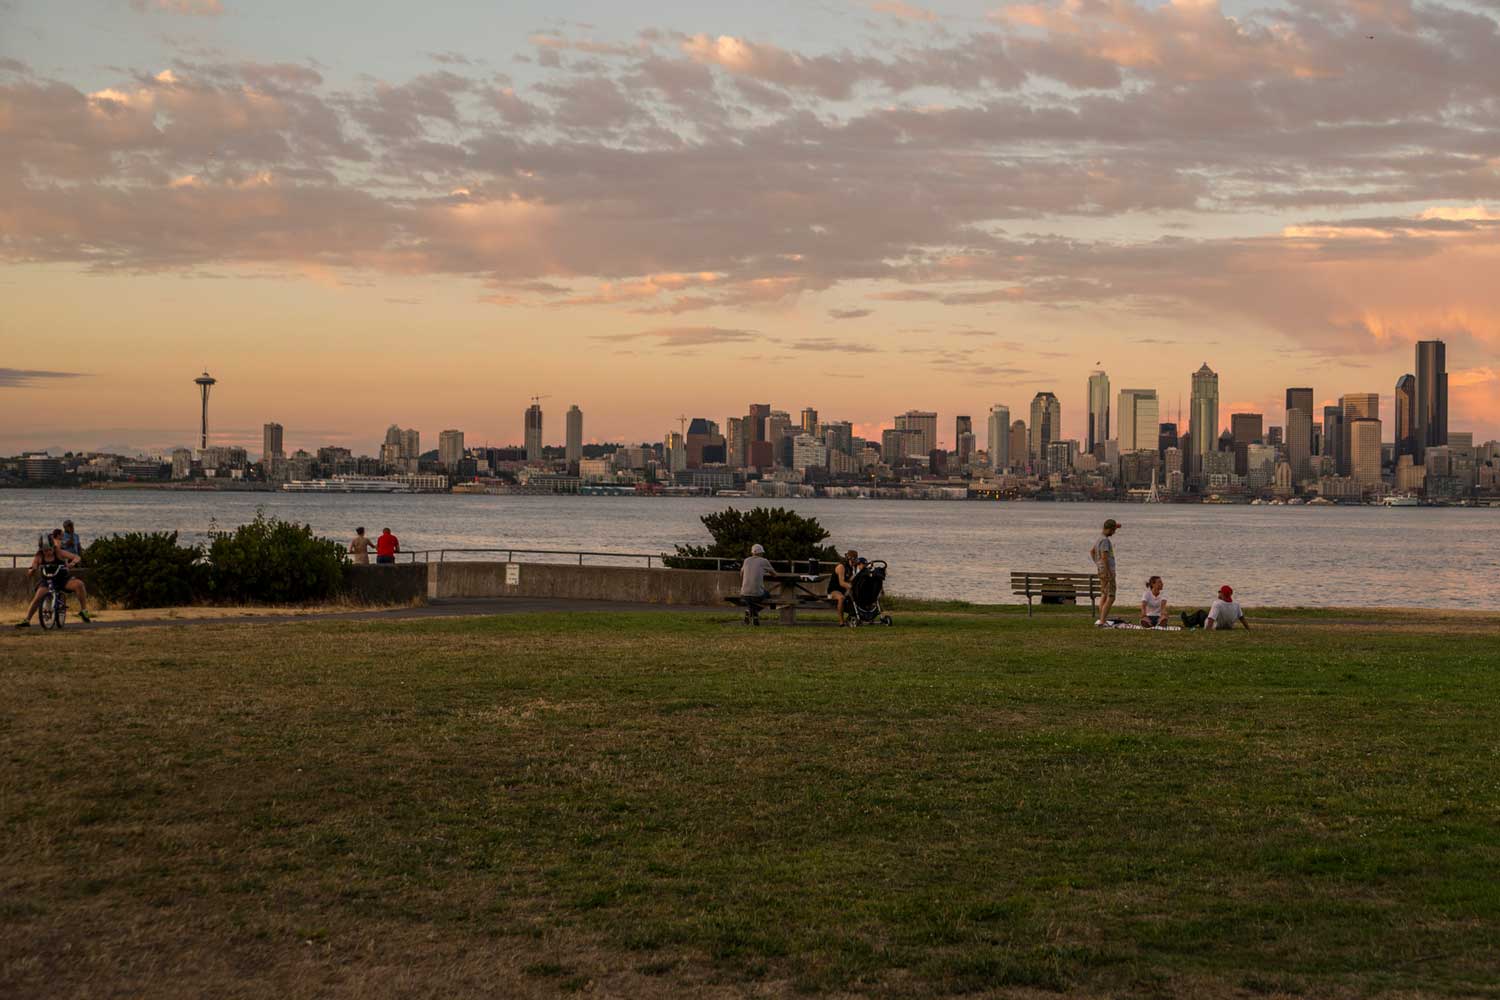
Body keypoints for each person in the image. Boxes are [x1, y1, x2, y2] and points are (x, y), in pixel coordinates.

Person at [16, 536, 92, 626]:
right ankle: (27, 620)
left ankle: (83, 611)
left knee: (79, 584)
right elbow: (32, 568)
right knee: (37, 598)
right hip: (47, 581)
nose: (47, 552)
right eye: (45, 550)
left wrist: (72, 563)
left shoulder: (59, 553)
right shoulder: (39, 556)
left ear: (53, 547)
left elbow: (76, 557)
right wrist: (32, 570)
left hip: (63, 579)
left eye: (49, 550)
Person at [1089, 518, 1121, 626]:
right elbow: (1104, 556)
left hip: (1101, 570)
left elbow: (1092, 551)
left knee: (1104, 594)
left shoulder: (1099, 539)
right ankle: (1102, 620)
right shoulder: (1105, 541)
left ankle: (1102, 619)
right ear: (1109, 529)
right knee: (1111, 596)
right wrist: (1107, 571)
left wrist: (1098, 564)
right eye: (1113, 530)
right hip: (1107, 571)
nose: (1114, 532)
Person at [739, 543, 775, 623]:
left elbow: (741, 574)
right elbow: (774, 575)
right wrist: (765, 571)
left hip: (744, 593)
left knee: (750, 600)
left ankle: (750, 612)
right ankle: (754, 612)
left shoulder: (746, 560)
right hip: (757, 595)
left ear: (752, 552)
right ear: (761, 553)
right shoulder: (764, 561)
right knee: (768, 596)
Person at [827, 549, 858, 626]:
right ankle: (841, 622)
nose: (854, 562)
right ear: (849, 559)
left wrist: (858, 575)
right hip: (832, 592)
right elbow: (842, 583)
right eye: (853, 560)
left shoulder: (850, 568)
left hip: (843, 591)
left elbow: (849, 579)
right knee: (841, 598)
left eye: (855, 560)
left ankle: (856, 617)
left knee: (857, 595)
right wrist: (850, 586)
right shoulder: (841, 567)